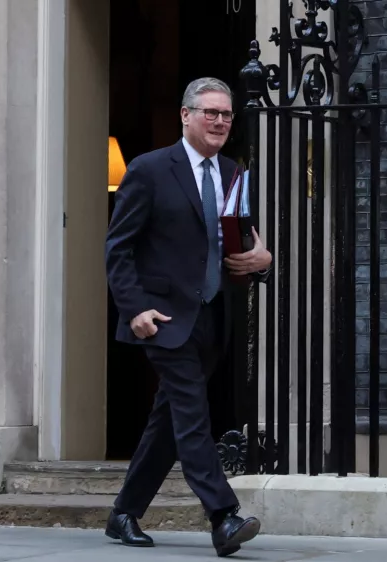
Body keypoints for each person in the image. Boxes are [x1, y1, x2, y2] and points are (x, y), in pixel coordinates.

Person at [103, 77, 272, 558]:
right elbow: (119, 247)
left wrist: (263, 261)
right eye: (210, 113)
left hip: (214, 317)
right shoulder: (150, 170)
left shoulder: (235, 173)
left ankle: (123, 513)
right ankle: (223, 516)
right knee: (193, 415)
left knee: (169, 420)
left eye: (226, 115)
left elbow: (241, 244)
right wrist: (134, 308)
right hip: (163, 316)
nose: (219, 121)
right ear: (185, 115)